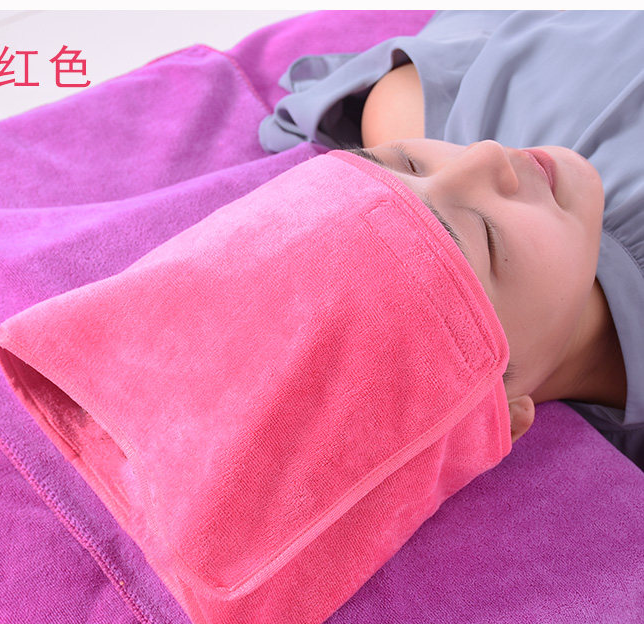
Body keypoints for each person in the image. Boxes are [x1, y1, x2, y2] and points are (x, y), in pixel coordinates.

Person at [259, 10, 644, 471]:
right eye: (486, 235)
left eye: (409, 164)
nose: (485, 153)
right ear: (496, 415)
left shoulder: (427, 112)